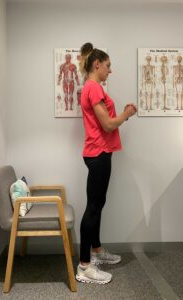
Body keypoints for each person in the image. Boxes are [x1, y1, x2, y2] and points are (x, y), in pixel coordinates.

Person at [76, 42, 136, 284]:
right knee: (93, 207)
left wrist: (119, 114)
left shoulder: (92, 88)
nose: (110, 70)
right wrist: (127, 114)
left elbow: (107, 120)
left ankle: (96, 252)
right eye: (108, 66)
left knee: (98, 205)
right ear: (97, 64)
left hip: (99, 152)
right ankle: (84, 267)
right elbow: (108, 124)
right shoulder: (93, 88)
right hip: (98, 152)